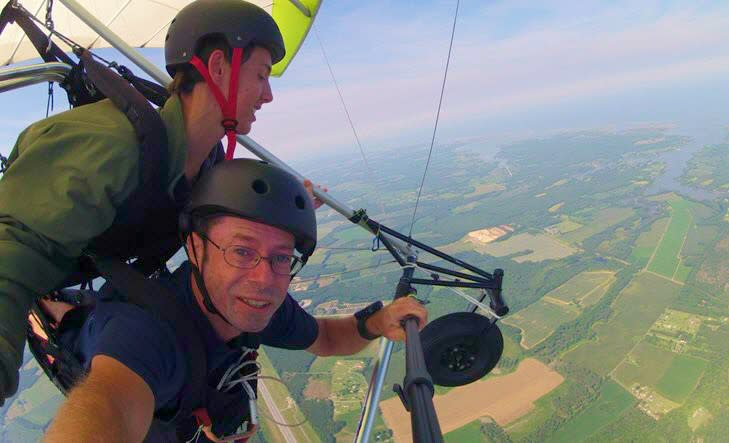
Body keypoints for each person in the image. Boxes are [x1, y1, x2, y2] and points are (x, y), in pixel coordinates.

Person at [0, 0, 289, 403]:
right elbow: (11, 255)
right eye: (261, 75)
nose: (269, 95)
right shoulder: (110, 145)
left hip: (82, 271)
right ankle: (52, 315)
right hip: (40, 272)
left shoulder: (200, 165)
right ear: (220, 66)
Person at [40, 158, 428, 442]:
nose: (264, 280)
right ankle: (51, 309)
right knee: (72, 323)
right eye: (242, 252)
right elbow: (107, 407)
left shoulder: (256, 306)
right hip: (96, 336)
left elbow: (327, 338)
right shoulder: (146, 337)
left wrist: (378, 323)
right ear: (194, 248)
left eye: (281, 258)